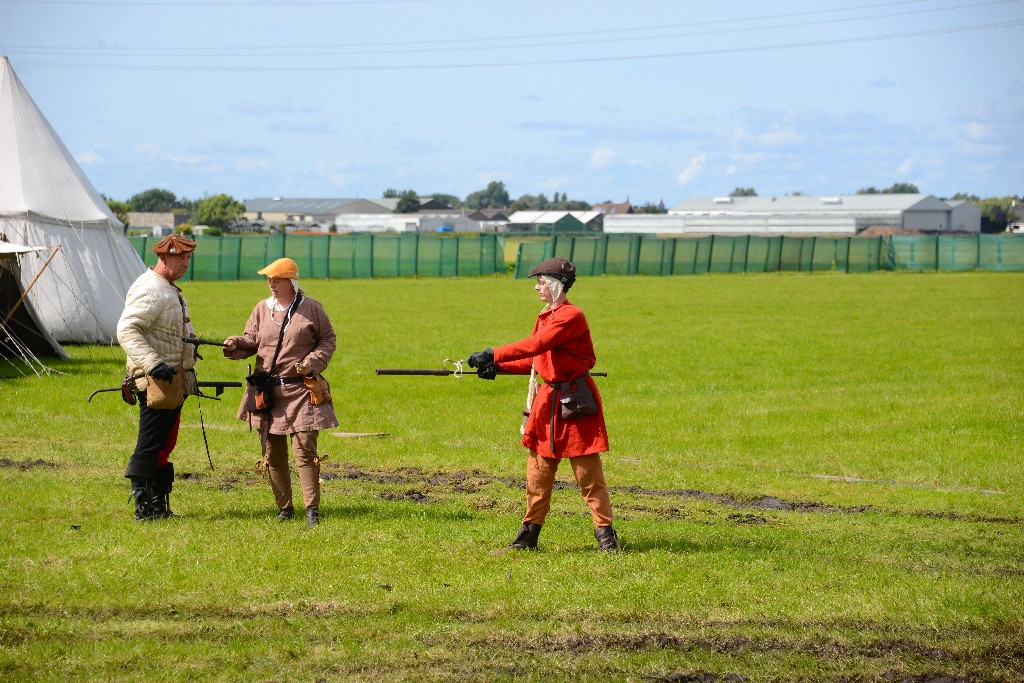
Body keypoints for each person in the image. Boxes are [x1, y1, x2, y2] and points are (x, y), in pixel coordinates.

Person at [467, 257, 619, 552]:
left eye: (540, 283)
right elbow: (538, 361)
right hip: (547, 402)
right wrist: (500, 368)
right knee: (538, 473)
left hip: (576, 401)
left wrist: (492, 354)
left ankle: (607, 539)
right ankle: (527, 539)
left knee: (588, 476)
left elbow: (537, 345)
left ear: (555, 285)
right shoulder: (546, 316)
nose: (536, 288)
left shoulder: (570, 316)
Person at [222, 257, 338, 527]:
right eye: (269, 280)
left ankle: (312, 511)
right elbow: (251, 341)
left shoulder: (311, 309)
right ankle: (285, 508)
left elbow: (328, 340)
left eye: (277, 280)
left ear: (291, 282)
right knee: (273, 454)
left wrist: (311, 362)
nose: (271, 285)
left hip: (302, 391)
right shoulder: (262, 309)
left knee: (306, 451)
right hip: (269, 392)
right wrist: (234, 344)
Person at [117, 233, 199, 520]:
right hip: (155, 380)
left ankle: (158, 507)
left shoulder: (167, 287)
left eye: (188, 258)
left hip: (171, 379)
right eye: (181, 258)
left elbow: (168, 330)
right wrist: (153, 364)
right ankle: (144, 509)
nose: (186, 263)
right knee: (151, 444)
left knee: (165, 444)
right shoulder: (151, 288)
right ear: (164, 258)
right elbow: (127, 330)